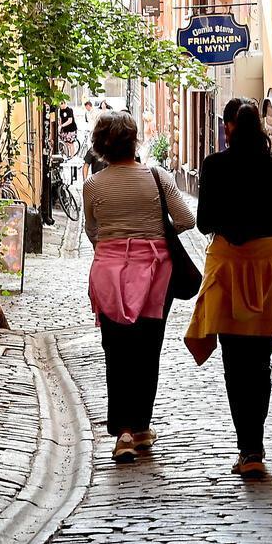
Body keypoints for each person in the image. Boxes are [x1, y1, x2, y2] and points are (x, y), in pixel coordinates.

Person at [185, 101, 272, 478]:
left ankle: (246, 447)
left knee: (234, 363)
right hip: (265, 263)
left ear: (230, 128)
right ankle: (255, 446)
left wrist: (233, 224)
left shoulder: (215, 165)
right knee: (260, 362)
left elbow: (204, 223)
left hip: (228, 265)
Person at [82, 110, 195, 463]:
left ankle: (124, 432)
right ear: (134, 141)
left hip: (109, 273)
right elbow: (187, 219)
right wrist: (155, 235)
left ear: (101, 145)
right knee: (148, 348)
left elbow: (92, 230)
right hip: (155, 272)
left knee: (116, 349)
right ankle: (142, 426)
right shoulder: (157, 177)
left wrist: (114, 244)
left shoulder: (93, 185)